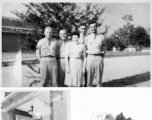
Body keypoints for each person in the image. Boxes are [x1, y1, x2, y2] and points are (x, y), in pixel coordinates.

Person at [85, 21, 105, 87]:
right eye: (91, 27)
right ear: (89, 28)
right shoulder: (87, 38)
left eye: (94, 26)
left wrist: (102, 57)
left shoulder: (101, 37)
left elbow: (104, 47)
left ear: (96, 27)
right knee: (89, 78)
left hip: (99, 57)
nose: (93, 28)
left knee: (99, 79)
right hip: (90, 57)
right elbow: (84, 49)